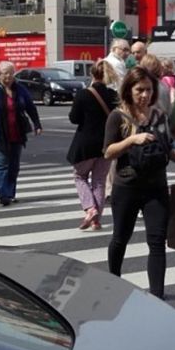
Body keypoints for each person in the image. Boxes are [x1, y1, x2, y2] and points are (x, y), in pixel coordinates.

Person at [103, 67, 175, 299]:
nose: (145, 95)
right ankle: (113, 281)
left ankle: (158, 296)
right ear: (129, 90)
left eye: (148, 90)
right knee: (120, 238)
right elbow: (108, 152)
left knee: (157, 242)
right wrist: (132, 139)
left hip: (155, 187)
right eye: (139, 90)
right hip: (126, 186)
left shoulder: (159, 116)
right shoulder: (118, 116)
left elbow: (167, 147)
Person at [0, 61, 43, 206]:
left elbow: (30, 107)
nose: (8, 76)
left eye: (11, 73)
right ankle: (3, 195)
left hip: (16, 133)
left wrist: (37, 124)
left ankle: (10, 193)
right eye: (5, 73)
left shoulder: (20, 90)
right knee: (1, 165)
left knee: (14, 166)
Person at [67, 60, 118, 231]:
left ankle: (90, 209)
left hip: (86, 144)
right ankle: (96, 220)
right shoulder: (112, 95)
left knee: (80, 176)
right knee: (99, 181)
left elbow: (74, 118)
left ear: (92, 74)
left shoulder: (83, 94)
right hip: (107, 144)